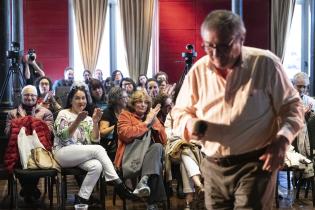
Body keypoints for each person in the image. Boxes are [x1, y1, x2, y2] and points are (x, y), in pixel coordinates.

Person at [171, 10, 304, 209]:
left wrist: (283, 139)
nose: (216, 54)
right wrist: (190, 124)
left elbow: (292, 107)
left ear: (241, 39)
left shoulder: (265, 64)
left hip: (255, 163)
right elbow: (180, 112)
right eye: (209, 46)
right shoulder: (199, 70)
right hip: (213, 165)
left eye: (224, 46)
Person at [53, 85, 136, 205]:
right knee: (98, 149)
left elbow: (95, 140)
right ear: (71, 100)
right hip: (63, 152)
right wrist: (77, 121)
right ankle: (118, 183)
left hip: (80, 153)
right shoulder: (63, 113)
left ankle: (82, 199)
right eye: (77, 98)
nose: (81, 101)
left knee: (97, 166)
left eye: (83, 98)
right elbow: (63, 137)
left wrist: (95, 122)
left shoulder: (87, 118)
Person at [115, 90, 167, 210]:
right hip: (130, 158)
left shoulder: (151, 117)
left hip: (148, 159)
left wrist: (154, 122)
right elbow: (126, 135)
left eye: (145, 102)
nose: (143, 104)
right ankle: (152, 203)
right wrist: (146, 122)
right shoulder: (125, 115)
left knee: (158, 147)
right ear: (133, 104)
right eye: (139, 102)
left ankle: (144, 181)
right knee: (156, 166)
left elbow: (164, 140)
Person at [5, 85, 53, 203]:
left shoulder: (46, 112)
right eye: (26, 95)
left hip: (39, 148)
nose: (29, 97)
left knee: (33, 155)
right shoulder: (12, 113)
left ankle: (27, 190)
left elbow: (50, 131)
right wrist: (22, 124)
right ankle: (30, 190)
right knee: (22, 156)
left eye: (32, 95)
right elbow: (7, 132)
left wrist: (31, 123)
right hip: (18, 150)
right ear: (21, 97)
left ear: (37, 97)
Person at [99, 87, 128, 161]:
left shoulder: (127, 110)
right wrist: (117, 125)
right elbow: (102, 132)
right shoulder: (108, 112)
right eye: (124, 97)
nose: (127, 99)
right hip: (111, 144)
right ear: (117, 100)